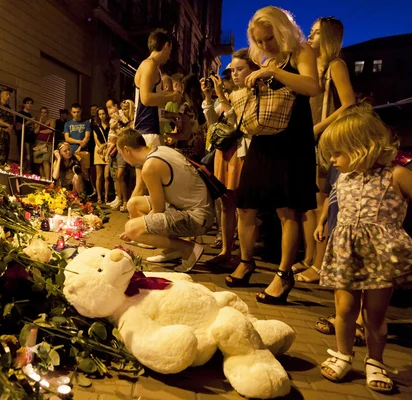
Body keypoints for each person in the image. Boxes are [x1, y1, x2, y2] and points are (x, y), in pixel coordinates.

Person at [315, 107, 412, 394]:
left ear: (362, 148)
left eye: (337, 153)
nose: (333, 160)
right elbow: (331, 201)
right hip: (347, 250)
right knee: (344, 309)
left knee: (375, 315)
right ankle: (343, 354)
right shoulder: (344, 177)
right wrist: (322, 221)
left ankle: (375, 360)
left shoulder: (396, 174)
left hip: (380, 255)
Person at [229, 6, 320, 304]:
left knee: (287, 208)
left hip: (293, 139)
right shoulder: (271, 59)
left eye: (269, 38)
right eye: (260, 41)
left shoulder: (301, 52)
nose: (265, 46)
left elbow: (311, 86)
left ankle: (283, 276)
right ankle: (246, 261)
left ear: (281, 31)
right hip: (266, 137)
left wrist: (272, 71)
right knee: (246, 202)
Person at [294, 16, 356, 283]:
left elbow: (348, 104)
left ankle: (319, 265)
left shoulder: (335, 65)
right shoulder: (310, 66)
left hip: (326, 141)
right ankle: (309, 258)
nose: (310, 36)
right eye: (310, 31)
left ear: (329, 37)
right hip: (307, 139)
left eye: (316, 33)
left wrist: (319, 127)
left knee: (322, 204)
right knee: (308, 203)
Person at [119, 128, 212, 272]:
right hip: (192, 209)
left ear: (126, 150)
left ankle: (188, 249)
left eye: (121, 154)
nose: (123, 159)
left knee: (132, 229)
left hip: (196, 218)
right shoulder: (160, 150)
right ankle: (172, 250)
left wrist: (136, 230)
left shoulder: (150, 166)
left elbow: (158, 209)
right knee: (134, 204)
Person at [205, 49, 259, 268]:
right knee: (226, 202)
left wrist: (220, 97)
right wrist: (211, 98)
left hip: (242, 152)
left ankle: (245, 257)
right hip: (225, 150)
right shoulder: (230, 96)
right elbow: (212, 122)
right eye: (232, 70)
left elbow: (238, 123)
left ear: (253, 69)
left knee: (243, 206)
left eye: (240, 69)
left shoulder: (255, 93)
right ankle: (226, 250)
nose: (235, 75)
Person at [133, 28, 182, 196]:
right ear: (167, 46)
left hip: (146, 130)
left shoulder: (150, 66)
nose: (170, 55)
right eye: (171, 49)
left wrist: (169, 97)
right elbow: (146, 98)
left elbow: (150, 97)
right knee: (146, 186)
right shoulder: (149, 65)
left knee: (142, 185)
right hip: (147, 131)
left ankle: (135, 220)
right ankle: (134, 221)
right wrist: (171, 98)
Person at [92, 107, 111, 204]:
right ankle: (99, 197)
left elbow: (112, 138)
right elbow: (96, 139)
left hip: (108, 149)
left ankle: (106, 196)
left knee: (107, 176)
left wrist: (105, 146)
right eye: (100, 114)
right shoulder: (96, 126)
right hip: (98, 151)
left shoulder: (111, 125)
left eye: (103, 113)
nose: (102, 116)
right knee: (99, 175)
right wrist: (101, 147)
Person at [33, 106, 55, 180]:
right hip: (38, 143)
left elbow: (51, 130)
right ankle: (43, 177)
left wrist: (41, 131)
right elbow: (35, 131)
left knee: (45, 161)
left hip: (47, 143)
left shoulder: (51, 121)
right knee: (39, 162)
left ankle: (48, 179)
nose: (43, 114)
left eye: (45, 112)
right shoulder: (38, 121)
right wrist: (39, 122)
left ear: (47, 113)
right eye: (42, 112)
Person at [14, 97, 35, 171]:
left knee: (30, 158)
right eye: (28, 103)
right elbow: (18, 128)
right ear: (24, 104)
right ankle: (23, 171)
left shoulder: (31, 115)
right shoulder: (20, 114)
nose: (29, 105)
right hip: (23, 138)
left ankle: (28, 172)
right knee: (26, 157)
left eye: (31, 103)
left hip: (31, 139)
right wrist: (28, 122)